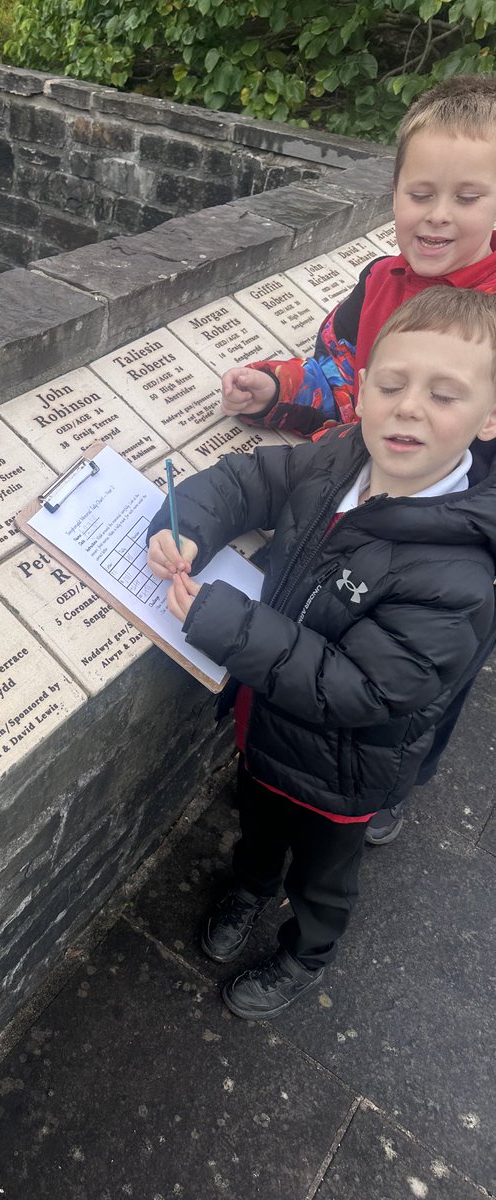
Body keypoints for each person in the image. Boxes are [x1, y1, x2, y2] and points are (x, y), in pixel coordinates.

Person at [147, 287, 496, 1018]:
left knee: (323, 877)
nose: (408, 408)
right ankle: (249, 887)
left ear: (489, 418)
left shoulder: (459, 574)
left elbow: (365, 688)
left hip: (347, 769)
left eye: (443, 395)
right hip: (268, 725)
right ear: (361, 391)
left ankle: (307, 951)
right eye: (392, 385)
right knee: (257, 823)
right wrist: (186, 524)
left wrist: (228, 625)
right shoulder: (339, 459)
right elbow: (250, 480)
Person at [219, 73, 496, 845]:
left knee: (421, 683)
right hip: (359, 506)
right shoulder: (377, 283)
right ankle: (289, 768)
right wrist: (276, 389)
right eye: (421, 192)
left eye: (468, 197)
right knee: (327, 653)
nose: (437, 215)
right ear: (396, 191)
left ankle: (398, 780)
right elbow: (344, 376)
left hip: (450, 542)